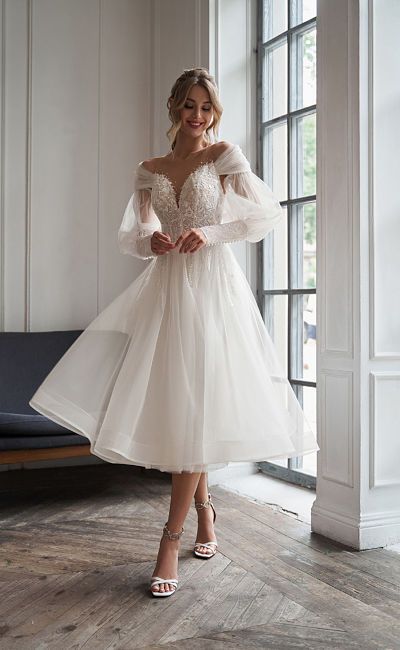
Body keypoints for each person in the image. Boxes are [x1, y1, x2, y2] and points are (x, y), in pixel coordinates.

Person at [29, 67, 319, 598]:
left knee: (197, 406)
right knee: (184, 410)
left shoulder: (224, 156)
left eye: (207, 107)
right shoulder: (150, 168)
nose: (199, 116)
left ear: (215, 112)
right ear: (175, 107)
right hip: (166, 292)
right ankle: (206, 509)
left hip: (212, 291)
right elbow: (133, 233)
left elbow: (263, 215)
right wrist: (154, 242)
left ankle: (170, 539)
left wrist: (207, 232)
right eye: (190, 105)